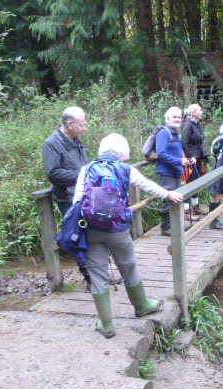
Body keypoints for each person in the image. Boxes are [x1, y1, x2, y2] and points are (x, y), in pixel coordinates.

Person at [73, 133, 184, 338]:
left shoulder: (87, 169)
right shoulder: (125, 168)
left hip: (91, 230)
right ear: (122, 153)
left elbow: (77, 201)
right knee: (128, 266)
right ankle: (141, 305)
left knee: (98, 275)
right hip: (118, 228)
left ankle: (106, 324)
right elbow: (147, 185)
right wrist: (168, 194)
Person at [43, 106, 91, 285]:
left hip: (84, 197)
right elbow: (53, 173)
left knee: (92, 235)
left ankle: (98, 274)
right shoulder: (52, 144)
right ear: (70, 124)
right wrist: (82, 175)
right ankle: (89, 278)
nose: (84, 128)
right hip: (68, 200)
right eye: (81, 125)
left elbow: (83, 165)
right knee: (77, 236)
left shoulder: (76, 140)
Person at [156, 106, 196, 236]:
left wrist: (187, 160)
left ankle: (175, 225)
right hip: (166, 172)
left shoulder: (174, 133)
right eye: (174, 117)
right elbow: (161, 153)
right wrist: (179, 161)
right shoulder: (164, 133)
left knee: (177, 199)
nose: (177, 119)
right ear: (167, 118)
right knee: (169, 199)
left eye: (179, 117)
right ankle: (166, 227)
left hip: (175, 171)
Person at [181, 104, 210, 216]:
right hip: (191, 160)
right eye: (199, 110)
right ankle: (187, 209)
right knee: (189, 184)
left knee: (196, 182)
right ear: (193, 112)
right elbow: (184, 142)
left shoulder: (197, 124)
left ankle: (195, 206)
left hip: (198, 158)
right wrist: (190, 156)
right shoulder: (188, 125)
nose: (202, 112)